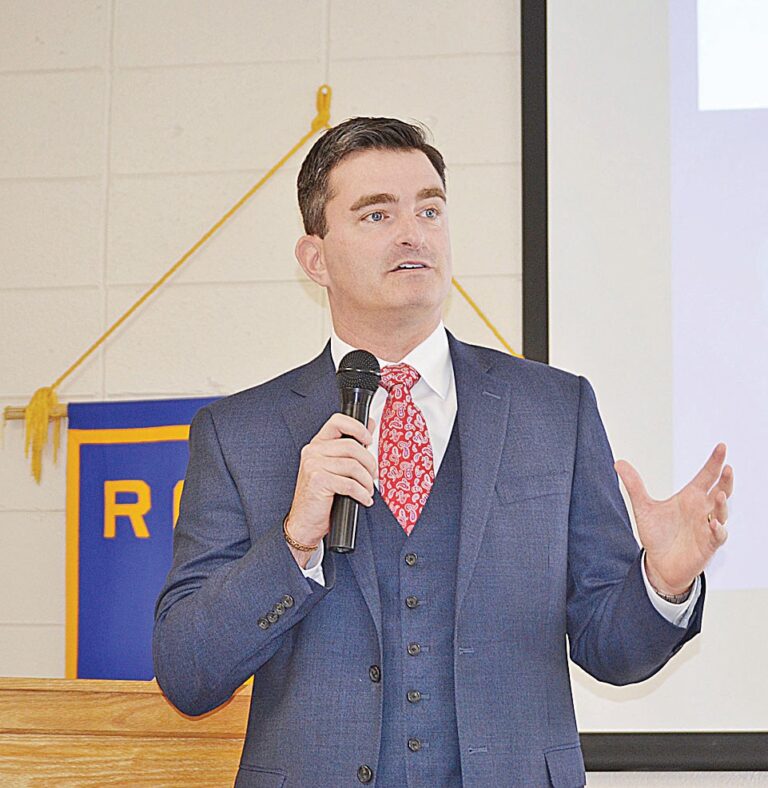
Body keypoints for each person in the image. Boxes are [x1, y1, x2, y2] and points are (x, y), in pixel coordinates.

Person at [153, 117, 732, 787]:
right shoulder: (239, 434)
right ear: (315, 259)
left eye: (430, 208)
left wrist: (662, 583)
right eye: (377, 214)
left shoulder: (553, 411)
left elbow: (613, 650)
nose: (413, 233)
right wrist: (293, 545)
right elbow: (187, 673)